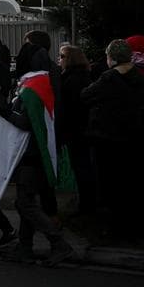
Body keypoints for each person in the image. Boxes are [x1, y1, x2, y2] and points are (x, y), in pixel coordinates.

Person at [0, 96, 78, 266]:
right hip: (30, 156)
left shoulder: (34, 93)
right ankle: (25, 247)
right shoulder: (35, 89)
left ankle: (58, 243)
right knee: (25, 203)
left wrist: (5, 112)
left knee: (25, 204)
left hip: (31, 157)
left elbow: (26, 123)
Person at [81, 39, 144, 237]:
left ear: (112, 57)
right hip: (131, 134)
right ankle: (131, 223)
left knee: (108, 182)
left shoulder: (109, 77)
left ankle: (113, 226)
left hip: (106, 136)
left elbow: (85, 95)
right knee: (127, 181)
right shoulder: (139, 77)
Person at [57, 44, 96, 215]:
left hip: (75, 129)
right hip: (82, 128)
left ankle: (85, 205)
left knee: (81, 167)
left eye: (62, 56)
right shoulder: (84, 76)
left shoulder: (71, 79)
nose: (59, 60)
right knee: (83, 166)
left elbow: (69, 106)